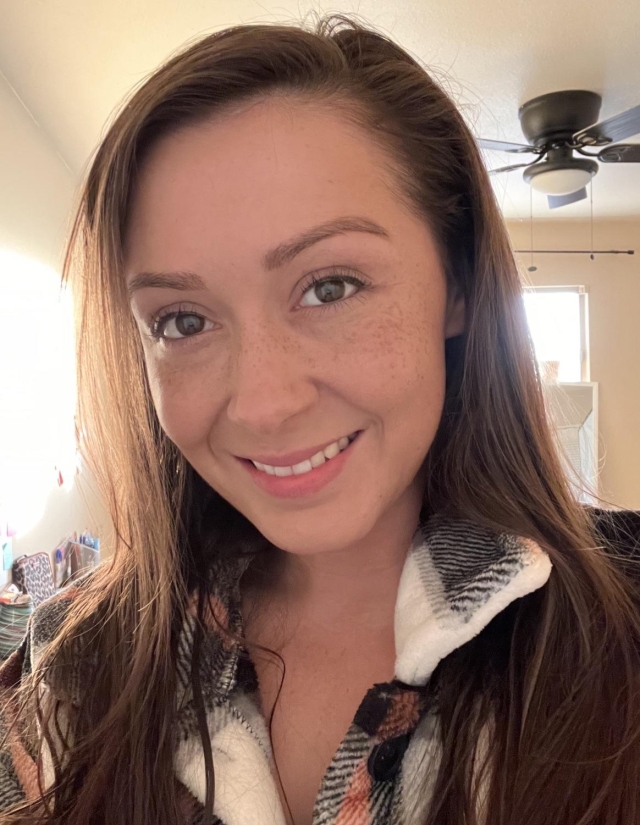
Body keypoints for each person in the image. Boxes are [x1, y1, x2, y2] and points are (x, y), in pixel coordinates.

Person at [0, 13, 639, 825]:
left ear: (457, 284)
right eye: (182, 321)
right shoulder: (68, 674)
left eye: (330, 286)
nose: (263, 403)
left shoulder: (621, 633)